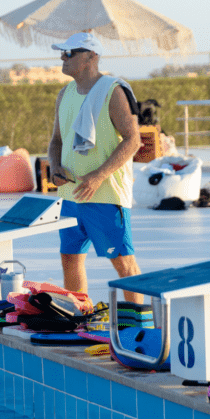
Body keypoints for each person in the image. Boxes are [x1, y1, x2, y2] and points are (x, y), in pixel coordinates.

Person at [46, 32, 143, 304]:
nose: (62, 58)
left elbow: (133, 140)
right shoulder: (64, 94)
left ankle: (138, 328)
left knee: (124, 265)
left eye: (69, 53)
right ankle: (81, 318)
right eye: (62, 53)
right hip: (71, 195)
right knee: (70, 258)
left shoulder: (113, 91)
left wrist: (98, 175)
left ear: (91, 56)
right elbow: (56, 142)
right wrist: (55, 168)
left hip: (106, 195)